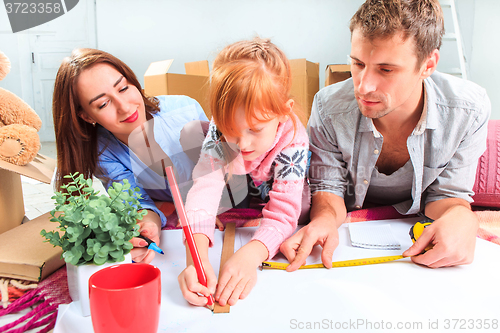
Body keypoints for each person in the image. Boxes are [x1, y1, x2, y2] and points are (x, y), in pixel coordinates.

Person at [281, 0, 491, 271]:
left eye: (386, 69)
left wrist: (462, 216)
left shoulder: (468, 110)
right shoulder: (328, 107)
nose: (364, 86)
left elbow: (447, 196)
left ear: (428, 65)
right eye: (357, 63)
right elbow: (328, 189)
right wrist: (323, 220)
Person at [178, 37, 310, 307]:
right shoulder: (220, 129)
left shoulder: (293, 139)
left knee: (303, 209)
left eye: (255, 129)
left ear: (284, 113)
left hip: (288, 197)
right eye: (232, 131)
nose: (243, 143)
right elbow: (204, 187)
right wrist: (196, 258)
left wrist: (253, 253)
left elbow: (285, 213)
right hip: (246, 190)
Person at [52, 48, 208, 264]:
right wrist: (149, 226)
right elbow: (138, 201)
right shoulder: (103, 152)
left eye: (123, 88)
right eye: (103, 104)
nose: (125, 108)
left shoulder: (184, 108)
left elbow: (223, 172)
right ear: (87, 116)